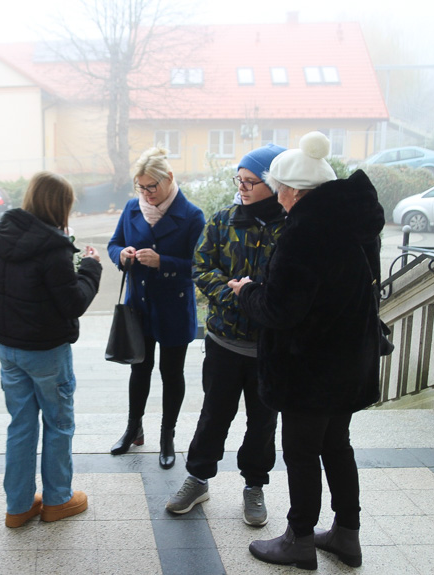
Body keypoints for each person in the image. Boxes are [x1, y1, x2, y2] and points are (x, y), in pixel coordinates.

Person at [229, 132, 385, 570]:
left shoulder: (305, 232)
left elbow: (279, 310)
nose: (276, 196)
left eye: (279, 187)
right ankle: (346, 535)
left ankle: (298, 538)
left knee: (300, 452)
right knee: (337, 445)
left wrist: (247, 291)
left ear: (294, 190)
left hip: (308, 367)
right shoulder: (354, 222)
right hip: (350, 358)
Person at [165, 144, 286, 524]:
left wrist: (259, 296)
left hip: (270, 348)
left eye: (252, 181)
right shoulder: (223, 220)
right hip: (224, 342)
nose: (243, 187)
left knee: (263, 423)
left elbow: (295, 284)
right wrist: (236, 297)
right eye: (240, 179)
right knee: (214, 414)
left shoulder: (292, 227)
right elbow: (202, 268)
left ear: (274, 183)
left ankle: (254, 486)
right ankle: (198, 478)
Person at [0, 171, 102, 527]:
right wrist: (91, 268)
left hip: (8, 349)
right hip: (47, 352)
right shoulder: (53, 249)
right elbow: (73, 303)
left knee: (20, 425)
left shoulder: (1, 236)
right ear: (59, 205)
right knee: (58, 423)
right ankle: (57, 501)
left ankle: (18, 507)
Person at [107, 147, 205, 468]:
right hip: (140, 305)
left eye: (152, 187)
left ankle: (167, 435)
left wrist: (163, 262)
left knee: (171, 373)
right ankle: (134, 428)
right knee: (140, 369)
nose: (147, 194)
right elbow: (114, 243)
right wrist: (122, 255)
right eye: (141, 186)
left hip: (174, 307)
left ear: (169, 179)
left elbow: (200, 266)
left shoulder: (191, 216)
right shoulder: (132, 208)